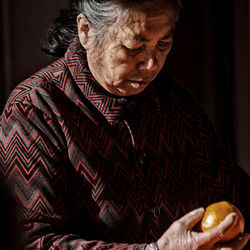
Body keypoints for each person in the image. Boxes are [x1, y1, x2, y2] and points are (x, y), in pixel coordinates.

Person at [0, 0, 249, 249]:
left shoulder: (175, 105)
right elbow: (31, 243)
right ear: (86, 31)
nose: (152, 64)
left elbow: (236, 196)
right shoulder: (36, 109)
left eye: (163, 44)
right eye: (134, 47)